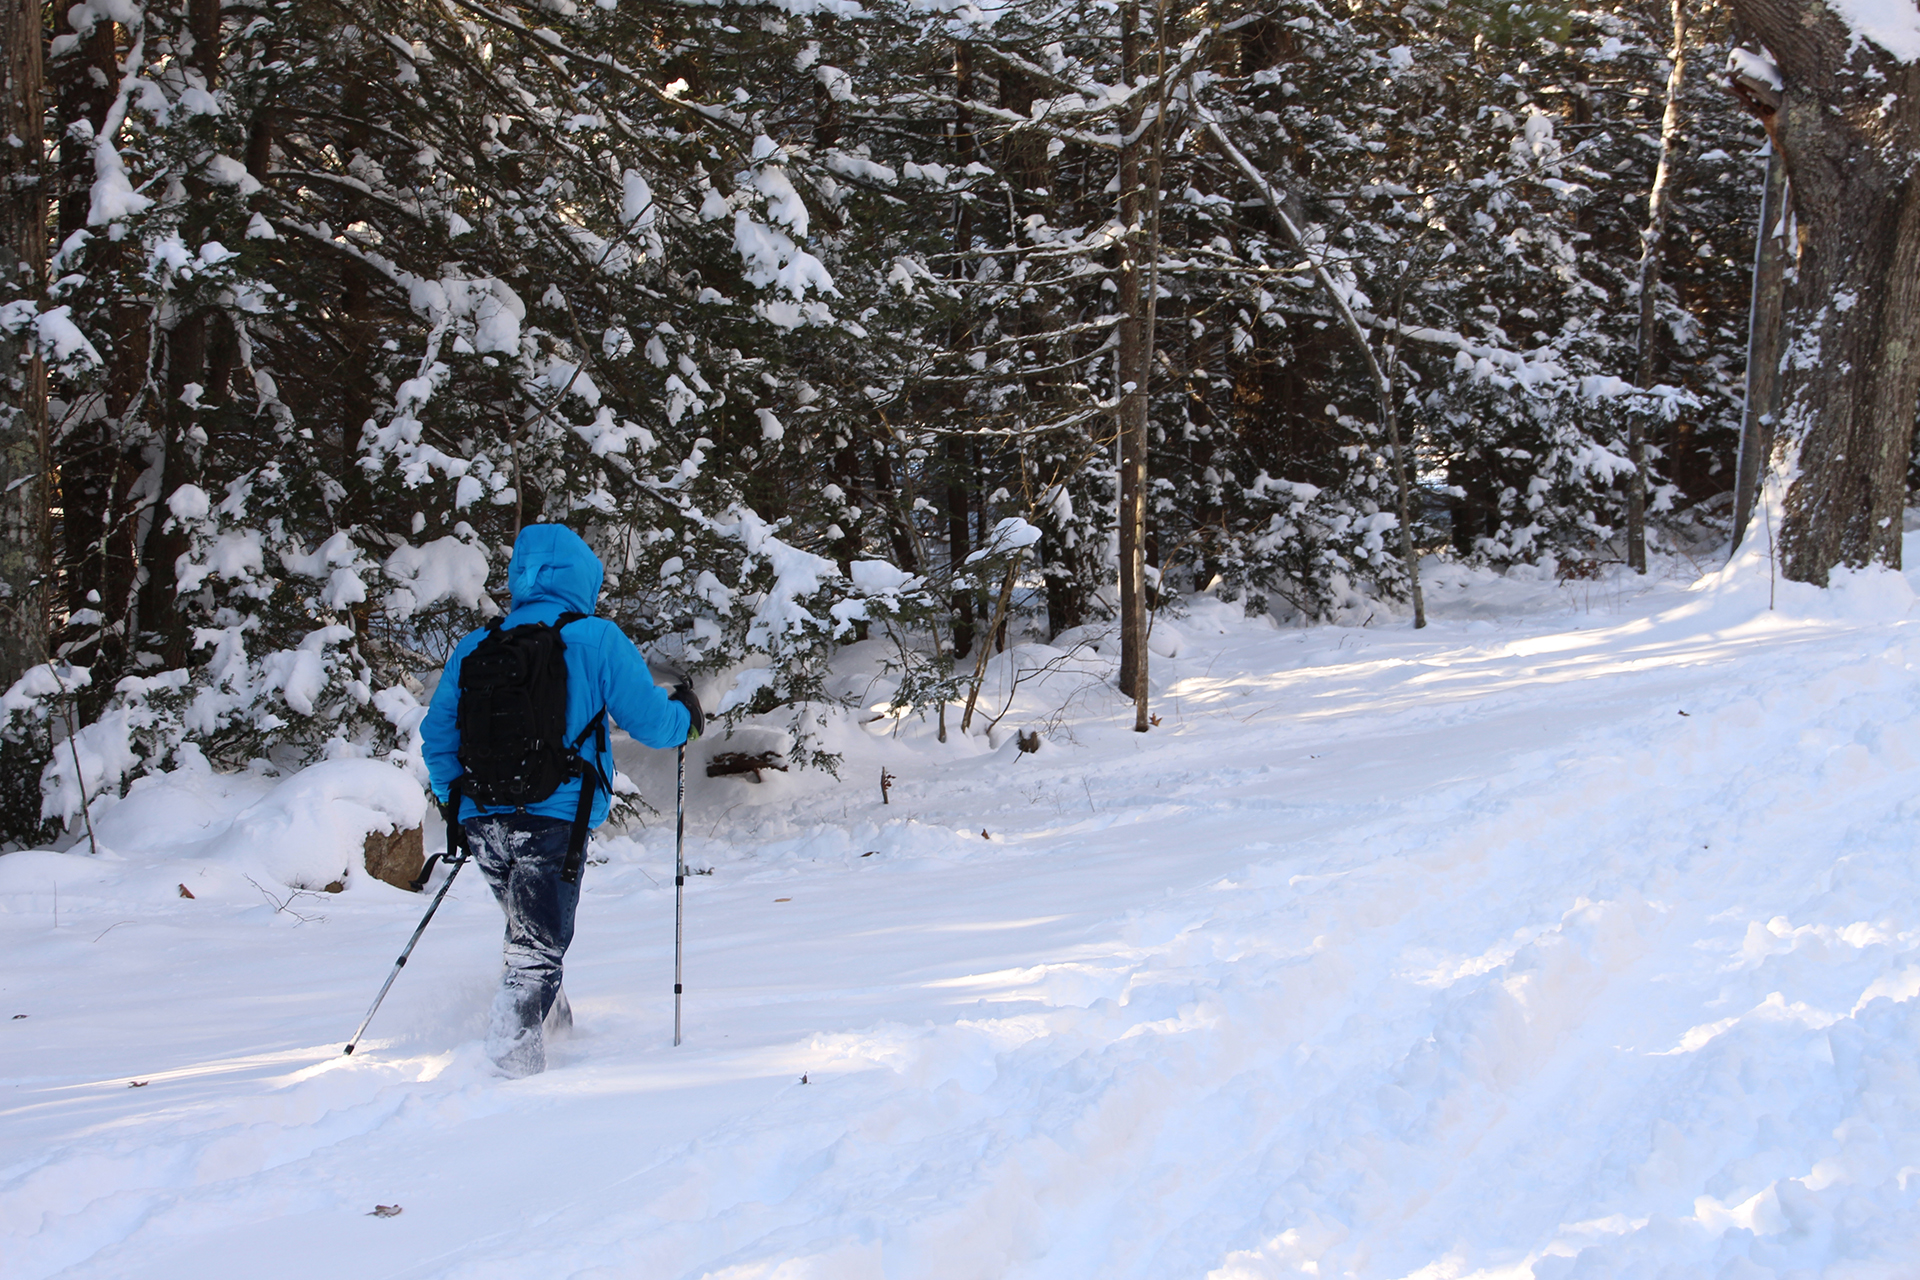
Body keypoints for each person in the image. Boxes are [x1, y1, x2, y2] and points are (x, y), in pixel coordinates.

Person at [421, 523, 701, 1077]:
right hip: (555, 817)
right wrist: (687, 717)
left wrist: (459, 805)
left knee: (529, 929)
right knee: (538, 944)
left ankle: (557, 1030)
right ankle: (509, 1067)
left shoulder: (478, 644)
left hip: (482, 818)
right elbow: (650, 724)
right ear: (582, 578)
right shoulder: (596, 637)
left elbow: (437, 736)